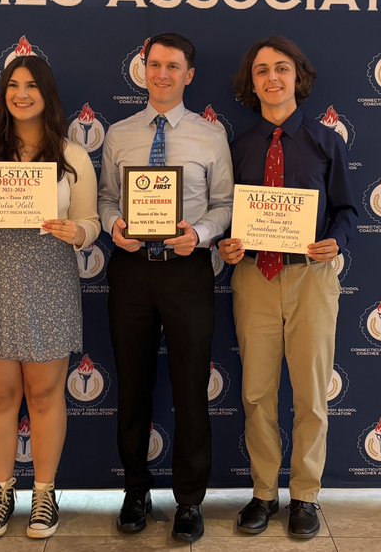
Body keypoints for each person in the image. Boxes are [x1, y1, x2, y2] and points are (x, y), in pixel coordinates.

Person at [0, 56, 100, 539]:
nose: (22, 94)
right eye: (13, 85)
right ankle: (1, 493)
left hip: (49, 278)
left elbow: (92, 222)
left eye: (32, 85)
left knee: (45, 392)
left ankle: (45, 495)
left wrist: (78, 232)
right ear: (3, 94)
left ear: (47, 93)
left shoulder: (72, 155)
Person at [217, 36, 357, 538]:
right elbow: (226, 216)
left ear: (298, 77)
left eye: (281, 69)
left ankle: (305, 495)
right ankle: (263, 493)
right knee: (257, 391)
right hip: (254, 277)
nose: (271, 78)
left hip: (311, 279)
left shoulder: (326, 142)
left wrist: (335, 243)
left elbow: (346, 210)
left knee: (311, 394)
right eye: (261, 71)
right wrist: (227, 247)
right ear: (250, 85)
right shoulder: (238, 148)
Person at [97, 32, 234, 543]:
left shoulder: (209, 135)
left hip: (187, 271)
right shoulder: (119, 133)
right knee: (133, 387)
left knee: (190, 390)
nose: (162, 74)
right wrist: (113, 227)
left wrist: (197, 235)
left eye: (173, 67)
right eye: (154, 65)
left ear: (189, 75)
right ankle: (136, 491)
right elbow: (107, 198)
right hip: (132, 271)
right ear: (143, 70)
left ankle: (190, 502)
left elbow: (224, 204)